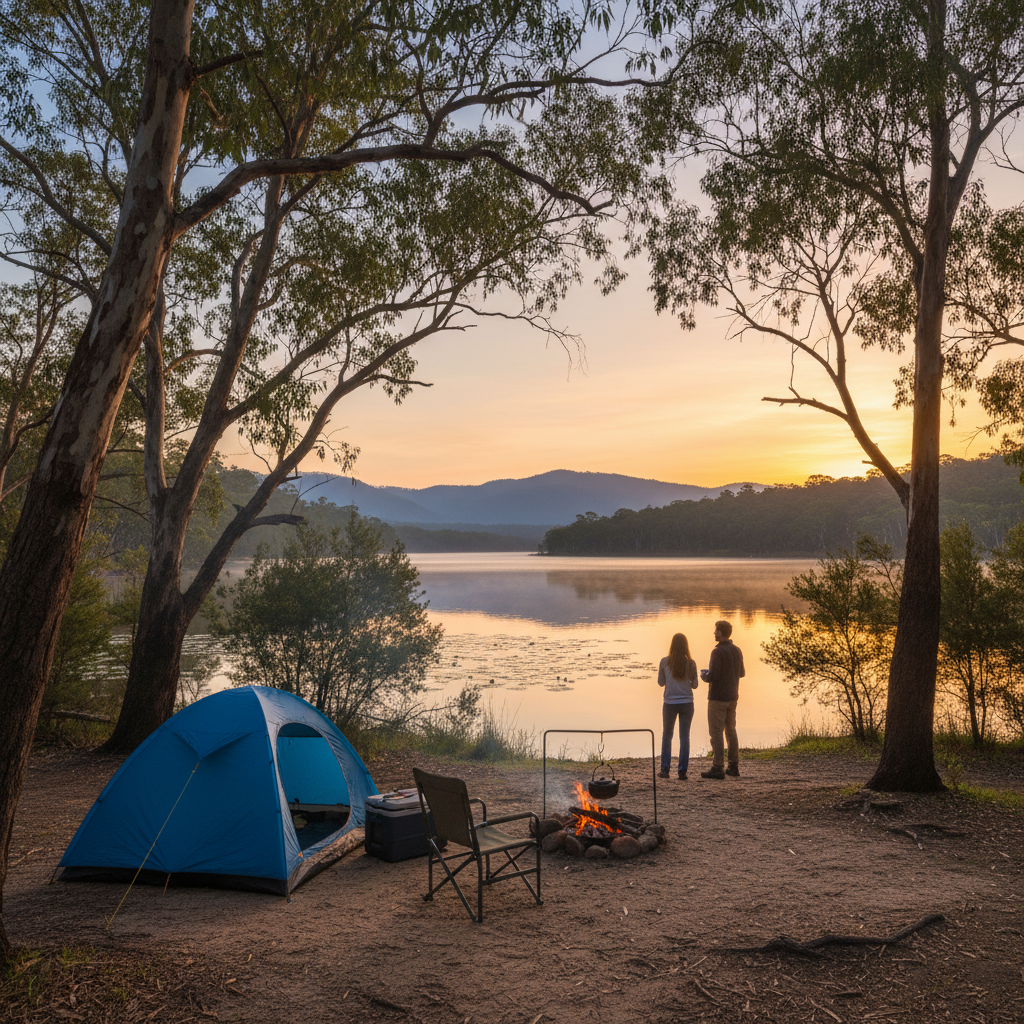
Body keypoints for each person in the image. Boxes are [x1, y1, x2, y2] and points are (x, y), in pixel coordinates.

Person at [700, 619, 745, 780]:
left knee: (716, 732)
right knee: (731, 731)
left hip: (718, 698)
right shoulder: (737, 650)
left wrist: (704, 675)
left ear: (721, 632)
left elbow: (713, 676)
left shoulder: (717, 652)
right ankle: (733, 765)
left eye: (716, 630)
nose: (714, 633)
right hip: (733, 697)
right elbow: (742, 673)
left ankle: (717, 767)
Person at [657, 633, 699, 780]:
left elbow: (661, 683)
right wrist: (686, 683)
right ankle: (682, 771)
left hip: (669, 703)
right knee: (684, 737)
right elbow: (695, 685)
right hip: (687, 703)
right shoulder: (691, 663)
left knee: (667, 735)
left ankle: (665, 769)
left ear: (672, 645)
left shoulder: (664, 662)